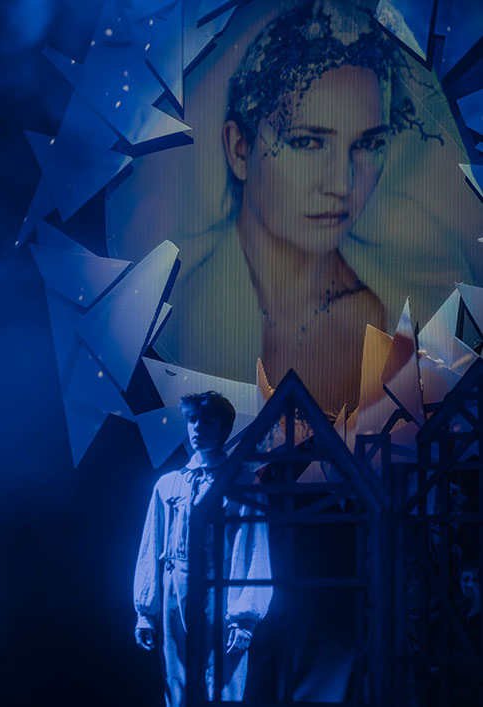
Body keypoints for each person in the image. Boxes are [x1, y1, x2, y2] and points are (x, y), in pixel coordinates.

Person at [156, 0, 479, 417]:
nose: (342, 183)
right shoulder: (178, 319)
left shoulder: (423, 300)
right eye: (308, 142)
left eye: (368, 143)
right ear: (239, 149)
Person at [133, 391, 272, 707]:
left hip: (221, 588)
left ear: (223, 429)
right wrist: (146, 613)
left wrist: (245, 617)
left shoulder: (244, 483)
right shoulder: (168, 485)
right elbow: (151, 547)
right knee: (176, 681)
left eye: (207, 421)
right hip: (174, 588)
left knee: (224, 680)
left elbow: (253, 547)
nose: (197, 428)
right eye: (193, 420)